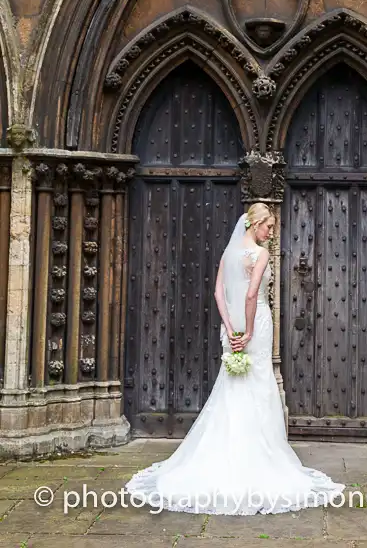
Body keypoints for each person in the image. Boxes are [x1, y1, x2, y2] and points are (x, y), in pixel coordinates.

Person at [125, 203, 345, 515]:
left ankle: (225, 455)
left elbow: (217, 293)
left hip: (230, 328)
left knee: (231, 387)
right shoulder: (260, 254)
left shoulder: (228, 254)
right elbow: (252, 295)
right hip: (254, 326)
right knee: (257, 384)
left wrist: (231, 329)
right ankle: (257, 459)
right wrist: (250, 331)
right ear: (255, 224)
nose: (270, 233)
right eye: (268, 226)